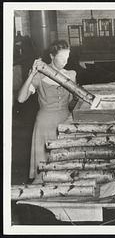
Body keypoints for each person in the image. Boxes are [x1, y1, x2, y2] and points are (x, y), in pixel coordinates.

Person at [18, 40, 76, 183]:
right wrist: (32, 75)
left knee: (66, 168)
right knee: (45, 170)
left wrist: (76, 97)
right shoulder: (40, 75)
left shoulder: (71, 74)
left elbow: (72, 103)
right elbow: (21, 99)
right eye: (61, 58)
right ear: (51, 56)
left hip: (65, 123)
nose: (65, 61)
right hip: (45, 125)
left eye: (67, 57)